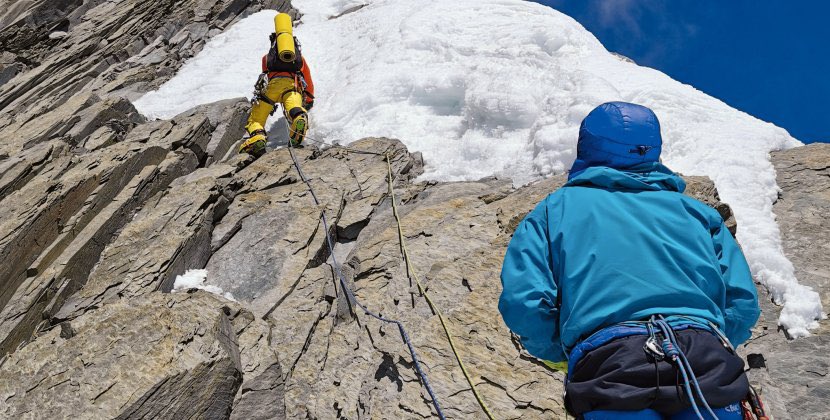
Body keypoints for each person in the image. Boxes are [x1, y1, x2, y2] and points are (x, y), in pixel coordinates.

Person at [498, 102, 761, 419]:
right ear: (653, 149)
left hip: (609, 364)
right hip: (704, 362)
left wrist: (557, 350)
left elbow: (524, 300)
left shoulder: (553, 210)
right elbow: (742, 302)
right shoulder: (697, 214)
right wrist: (715, 340)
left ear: (587, 146)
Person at [239, 28, 315, 157]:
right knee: (294, 107)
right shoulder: (299, 59)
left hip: (271, 89)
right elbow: (307, 78)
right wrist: (308, 99)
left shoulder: (267, 58)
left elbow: (266, 75)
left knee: (256, 119)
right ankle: (299, 117)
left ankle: (258, 136)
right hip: (292, 87)